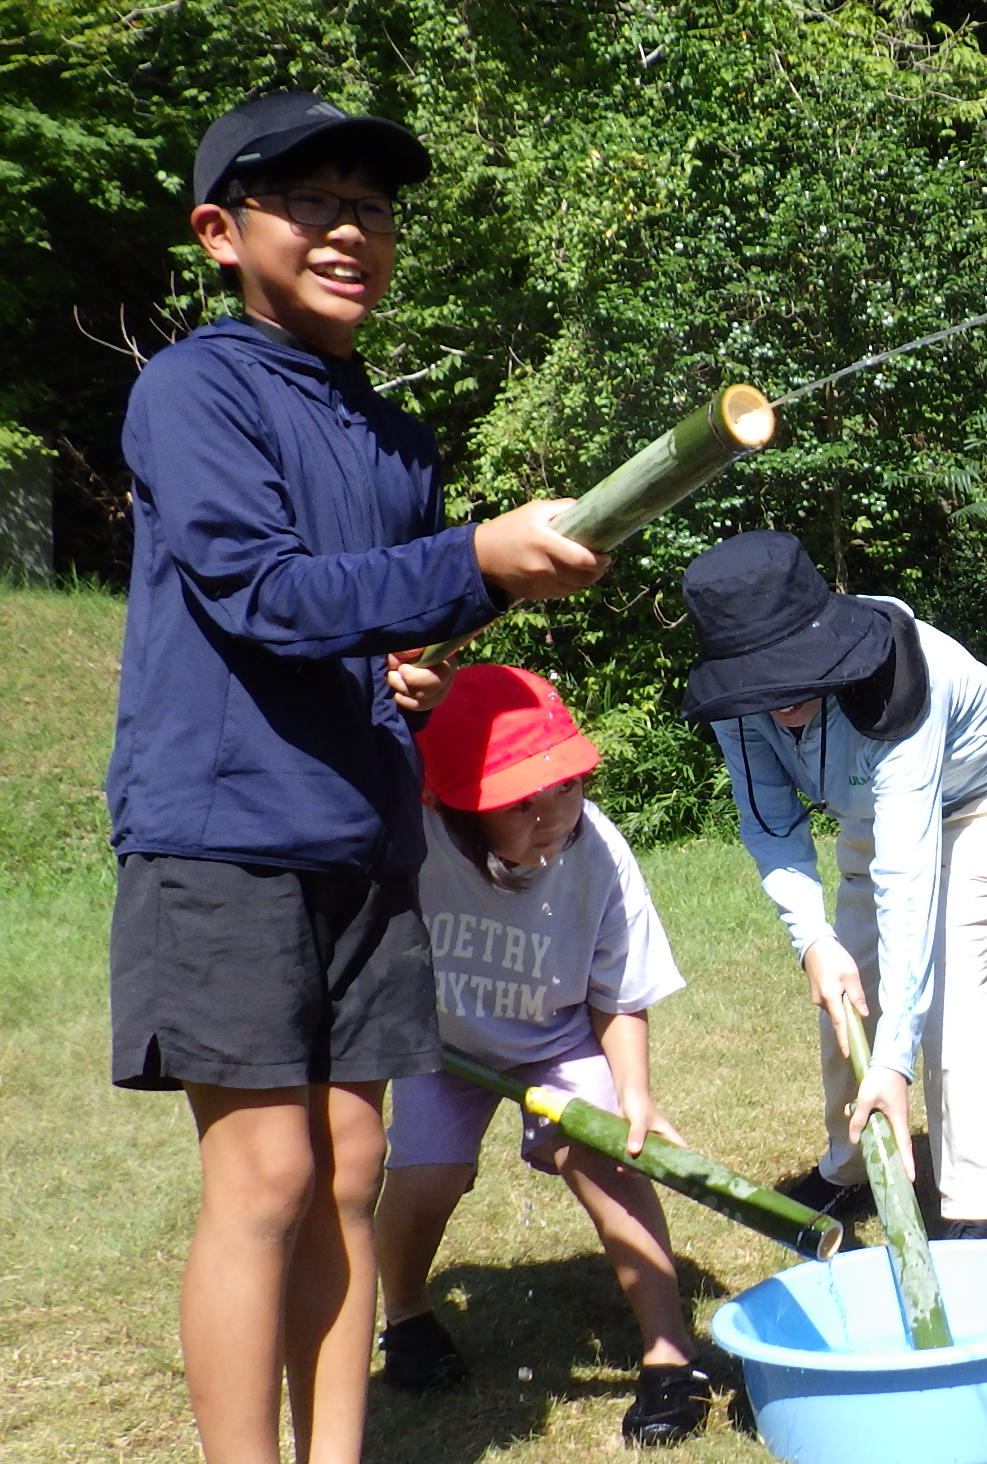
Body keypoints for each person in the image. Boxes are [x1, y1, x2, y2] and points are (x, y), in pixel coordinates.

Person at [107, 91, 603, 1464]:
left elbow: (378, 611)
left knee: (348, 1175)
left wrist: (435, 648)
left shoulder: (393, 433)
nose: (348, 228)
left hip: (363, 831)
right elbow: (262, 594)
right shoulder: (193, 388)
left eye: (372, 206)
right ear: (221, 232)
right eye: (308, 200)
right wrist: (470, 561)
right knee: (263, 1178)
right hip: (224, 832)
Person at [682, 530, 987, 1243]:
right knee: (848, 985)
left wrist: (896, 1062)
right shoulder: (741, 704)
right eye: (765, 679)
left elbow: (907, 878)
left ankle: (985, 1210)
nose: (782, 697)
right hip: (876, 816)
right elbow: (770, 825)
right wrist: (813, 942)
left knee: (950, 981)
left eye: (793, 671)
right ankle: (851, 1165)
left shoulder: (900, 678)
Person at [375, 666, 707, 1445]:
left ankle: (670, 1356)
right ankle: (408, 1317)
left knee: (610, 1161)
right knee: (428, 1174)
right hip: (444, 1043)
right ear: (452, 806)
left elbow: (618, 992)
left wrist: (634, 1091)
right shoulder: (414, 838)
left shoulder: (600, 855)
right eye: (518, 803)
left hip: (557, 1037)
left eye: (565, 788)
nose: (551, 814)